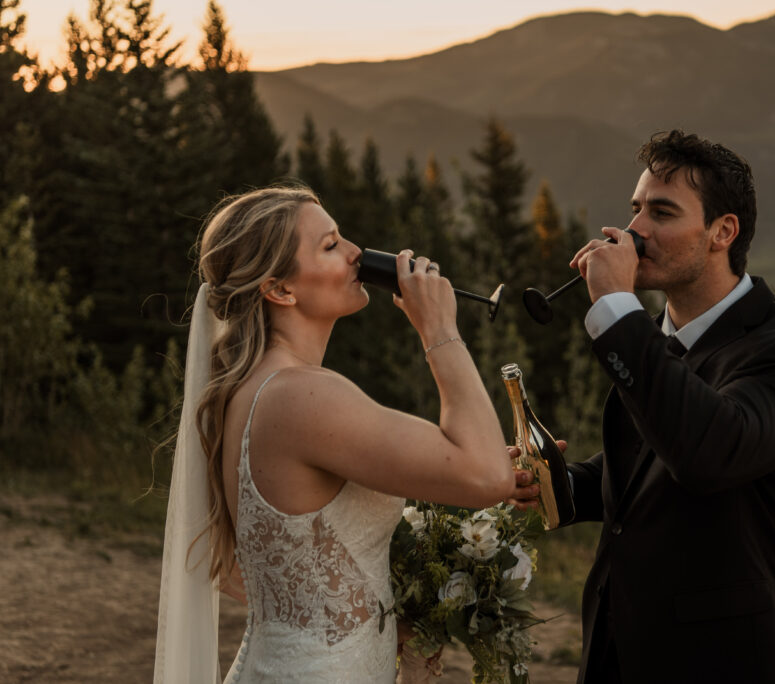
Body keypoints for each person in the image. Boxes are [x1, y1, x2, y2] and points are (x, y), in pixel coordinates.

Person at [509, 129, 775, 683]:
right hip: (615, 649)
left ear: (722, 232)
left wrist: (618, 308)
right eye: (636, 208)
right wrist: (559, 485)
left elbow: (706, 452)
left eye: (661, 212)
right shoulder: (659, 338)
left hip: (719, 659)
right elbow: (647, 468)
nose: (635, 230)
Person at [154, 185, 514, 684]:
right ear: (280, 289)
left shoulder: (263, 389)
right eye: (330, 245)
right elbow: (487, 474)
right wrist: (438, 329)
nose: (357, 254)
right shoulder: (303, 397)